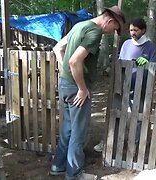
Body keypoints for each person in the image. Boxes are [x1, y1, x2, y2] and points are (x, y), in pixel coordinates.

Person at [50, 6, 125, 180]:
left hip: (65, 85)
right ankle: (74, 174)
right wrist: (82, 88)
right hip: (77, 89)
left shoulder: (79, 25)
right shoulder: (94, 32)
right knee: (79, 132)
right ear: (110, 20)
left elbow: (57, 48)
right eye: (113, 29)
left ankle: (58, 166)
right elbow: (74, 60)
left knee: (68, 128)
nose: (110, 32)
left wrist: (67, 72)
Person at [93, 17, 156, 153]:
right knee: (114, 114)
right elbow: (120, 63)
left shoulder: (150, 47)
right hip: (122, 86)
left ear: (144, 30)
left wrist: (148, 63)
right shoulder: (126, 44)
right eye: (131, 30)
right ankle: (107, 142)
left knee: (138, 118)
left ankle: (134, 147)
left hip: (141, 89)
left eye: (136, 30)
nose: (132, 32)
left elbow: (155, 68)